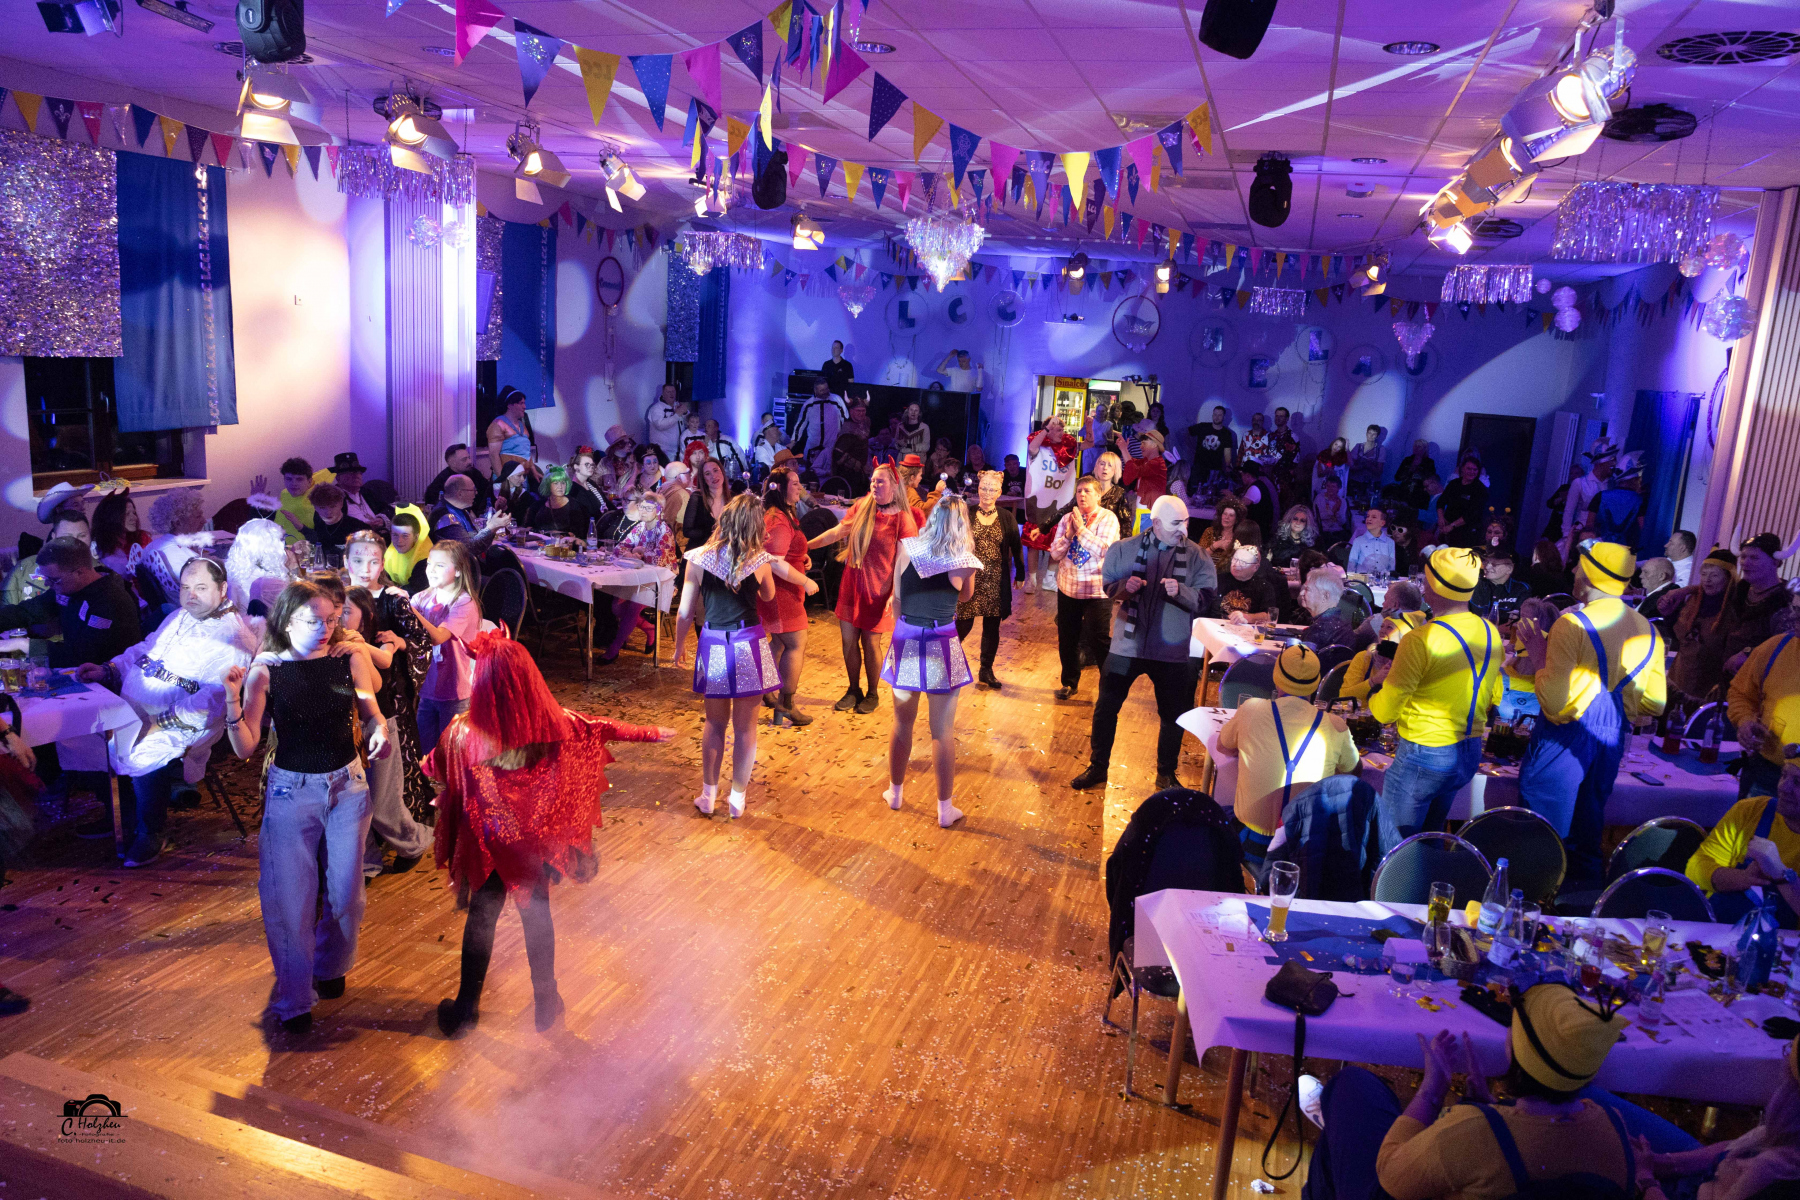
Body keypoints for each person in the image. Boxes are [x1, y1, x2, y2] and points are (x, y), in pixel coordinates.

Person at [430, 635, 675, 1038]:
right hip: (533, 842)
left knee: (483, 914)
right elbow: (602, 728)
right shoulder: (553, 723)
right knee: (536, 912)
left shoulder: (461, 732)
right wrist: (650, 733)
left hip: (489, 842)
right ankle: (546, 1002)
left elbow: (436, 766)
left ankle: (466, 1010)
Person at [1301, 986, 1676, 1200]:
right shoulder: (1613, 1129)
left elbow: (1390, 1174)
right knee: (1339, 1134)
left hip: (1398, 1182)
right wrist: (1488, 1107)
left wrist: (1432, 1091)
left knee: (1351, 1087)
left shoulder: (1473, 1131)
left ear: (1515, 1055)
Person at [221, 581, 388, 1036]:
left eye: (332, 619)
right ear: (287, 621)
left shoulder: (347, 658)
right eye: (314, 621)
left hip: (348, 788)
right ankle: (295, 998)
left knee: (347, 896)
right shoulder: (267, 670)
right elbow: (245, 747)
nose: (325, 628)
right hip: (291, 794)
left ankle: (331, 965)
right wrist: (232, 701)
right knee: (290, 901)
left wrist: (378, 728)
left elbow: (370, 706)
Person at [72, 557, 257, 868]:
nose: (191, 595)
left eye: (201, 588)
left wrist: (157, 722)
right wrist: (108, 669)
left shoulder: (234, 637)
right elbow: (145, 650)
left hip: (185, 722)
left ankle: (150, 831)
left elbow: (214, 700)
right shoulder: (180, 616)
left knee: (142, 749)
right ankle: (120, 815)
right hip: (138, 708)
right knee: (86, 733)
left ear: (222, 589)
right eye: (185, 587)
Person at [1513, 542, 1666, 879]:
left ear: (1592, 575)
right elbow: (1655, 704)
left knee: (1542, 839)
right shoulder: (1648, 629)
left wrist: (1539, 656)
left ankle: (1534, 904)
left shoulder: (1572, 624)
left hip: (1564, 740)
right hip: (1611, 741)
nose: (1572, 570)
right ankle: (1585, 903)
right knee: (1587, 835)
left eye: (1579, 565)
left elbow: (1554, 704)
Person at [677, 494, 817, 818]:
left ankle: (708, 795)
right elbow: (768, 595)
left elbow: (685, 611)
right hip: (748, 643)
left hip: (713, 642)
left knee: (714, 723)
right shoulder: (758, 561)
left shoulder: (698, 558)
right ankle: (737, 799)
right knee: (745, 729)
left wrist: (679, 646)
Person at [1072, 496, 1216, 791]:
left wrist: (1182, 591)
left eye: (1186, 522)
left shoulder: (1198, 556)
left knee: (1173, 715)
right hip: (1127, 645)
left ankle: (1166, 774)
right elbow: (1109, 586)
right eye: (1176, 523)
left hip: (1171, 650)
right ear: (1157, 522)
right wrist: (1125, 587)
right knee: (1106, 708)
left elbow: (1207, 600)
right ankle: (1098, 767)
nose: (1183, 529)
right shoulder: (1124, 549)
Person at [1364, 547, 1503, 851]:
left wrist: (1374, 694)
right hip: (1467, 751)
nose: (1423, 587)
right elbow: (1495, 695)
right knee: (1430, 841)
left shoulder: (1421, 638)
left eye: (1426, 581)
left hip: (1424, 754)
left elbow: (1386, 712)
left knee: (1393, 849)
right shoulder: (1490, 632)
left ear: (1436, 587)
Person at [880, 497, 982, 828]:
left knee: (902, 722)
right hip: (941, 640)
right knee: (942, 731)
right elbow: (965, 596)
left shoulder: (907, 548)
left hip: (907, 636)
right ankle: (944, 809)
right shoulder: (964, 560)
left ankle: (895, 793)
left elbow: (897, 599)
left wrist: (902, 633)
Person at [1218, 645, 1360, 869]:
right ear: (1316, 684)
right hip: (1304, 851)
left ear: (1277, 679)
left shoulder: (1250, 710)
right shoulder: (1336, 725)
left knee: (1222, 809)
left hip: (1252, 844)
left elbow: (1223, 746)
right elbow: (1353, 771)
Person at [343, 532, 436, 837]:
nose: (365, 568)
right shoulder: (338, 595)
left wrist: (399, 642)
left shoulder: (394, 599)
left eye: (373, 561)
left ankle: (399, 828)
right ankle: (359, 828)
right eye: (358, 560)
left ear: (383, 563)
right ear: (346, 561)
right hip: (345, 692)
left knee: (391, 764)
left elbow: (423, 641)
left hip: (388, 693)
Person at [806, 463, 917, 714]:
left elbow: (905, 562)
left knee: (870, 643)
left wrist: (894, 594)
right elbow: (836, 532)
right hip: (852, 583)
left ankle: (872, 693)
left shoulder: (902, 519)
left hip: (879, 589)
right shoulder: (862, 506)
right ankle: (853, 689)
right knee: (848, 641)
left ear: (894, 485)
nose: (874, 485)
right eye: (873, 481)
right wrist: (806, 546)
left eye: (880, 481)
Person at [1687, 757, 1800, 928]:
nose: (1783, 787)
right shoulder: (1751, 810)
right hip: (1717, 933)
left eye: (1798, 782)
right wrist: (1743, 878)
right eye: (1784, 775)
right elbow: (1694, 869)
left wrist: (1779, 873)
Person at [0, 537, 141, 669]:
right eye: (45, 578)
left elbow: (84, 657)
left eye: (53, 579)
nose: (47, 584)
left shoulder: (110, 601)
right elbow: (26, 611)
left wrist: (23, 644)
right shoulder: (68, 589)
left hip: (111, 677)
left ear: (79, 573)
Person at [1049, 476, 1121, 701]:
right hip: (1068, 588)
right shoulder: (1067, 519)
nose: (1082, 495)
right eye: (1079, 491)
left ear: (1098, 495)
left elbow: (1105, 549)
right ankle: (1069, 683)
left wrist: (1081, 530)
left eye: (1087, 491)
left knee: (1098, 639)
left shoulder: (1108, 518)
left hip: (1096, 590)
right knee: (1067, 638)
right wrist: (1069, 534)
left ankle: (1109, 688)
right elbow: (1055, 553)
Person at [410, 541, 483, 756]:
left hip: (454, 692)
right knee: (425, 751)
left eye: (440, 565)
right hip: (427, 689)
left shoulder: (463, 603)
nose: (431, 570)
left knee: (452, 754)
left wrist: (410, 610)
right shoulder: (422, 598)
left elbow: (439, 637)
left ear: (458, 570)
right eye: (429, 563)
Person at [957, 471, 1024, 690]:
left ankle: (986, 670)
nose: (987, 493)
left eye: (992, 489)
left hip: (995, 579)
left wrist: (1020, 574)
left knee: (992, 627)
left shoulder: (1006, 517)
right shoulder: (967, 513)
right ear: (978, 489)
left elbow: (1016, 546)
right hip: (970, 578)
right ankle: (946, 662)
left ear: (999, 492)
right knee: (962, 624)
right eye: (983, 488)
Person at [759, 468, 814, 727]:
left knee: (780, 644)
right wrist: (805, 580)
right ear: (779, 488)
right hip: (781, 593)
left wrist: (801, 556)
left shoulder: (783, 514)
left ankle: (767, 691)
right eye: (794, 483)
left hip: (785, 590)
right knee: (796, 643)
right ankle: (785, 705)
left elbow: (785, 551)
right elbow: (774, 561)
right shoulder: (778, 519)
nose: (799, 487)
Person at [1730, 623, 1800, 801]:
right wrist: (1745, 719)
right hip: (1764, 771)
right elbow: (1740, 693)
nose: (1796, 620)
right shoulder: (1776, 647)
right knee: (1752, 820)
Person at [1665, 547, 1738, 705]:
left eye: (1714, 575)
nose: (1707, 580)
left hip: (1709, 688)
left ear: (1728, 578)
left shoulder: (1734, 608)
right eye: (1704, 574)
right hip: (1678, 679)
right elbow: (1680, 636)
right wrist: (1669, 614)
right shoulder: (1694, 600)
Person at [1023, 418, 1083, 592]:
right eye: (1056, 429)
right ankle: (1032, 579)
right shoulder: (1039, 446)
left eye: (1062, 429)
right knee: (1033, 541)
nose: (1061, 433)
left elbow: (1089, 443)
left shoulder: (1068, 448)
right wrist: (1047, 429)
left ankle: (1049, 578)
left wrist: (1088, 427)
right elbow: (1032, 448)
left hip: (1060, 501)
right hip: (1038, 501)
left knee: (1057, 540)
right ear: (1047, 430)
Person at [141, 490, 218, 607]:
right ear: (177, 523)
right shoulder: (186, 560)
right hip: (191, 612)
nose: (203, 520)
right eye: (198, 516)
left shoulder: (152, 546)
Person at [5, 507, 92, 606]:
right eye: (67, 537)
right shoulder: (24, 568)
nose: (76, 542)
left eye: (82, 535)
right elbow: (5, 608)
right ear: (54, 537)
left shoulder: (101, 572)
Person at [1560, 441, 1617, 556]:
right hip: (1582, 535)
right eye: (1610, 461)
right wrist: (1567, 537)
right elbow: (1569, 511)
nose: (1614, 464)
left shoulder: (1613, 485)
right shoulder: (1580, 483)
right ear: (1601, 464)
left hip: (1604, 537)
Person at [429, 474, 511, 546]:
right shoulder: (445, 516)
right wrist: (492, 527)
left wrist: (493, 524)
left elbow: (474, 536)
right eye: (473, 490)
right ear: (460, 493)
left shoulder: (460, 509)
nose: (476, 493)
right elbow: (469, 548)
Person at [302, 483, 371, 564]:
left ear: (341, 504)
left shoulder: (358, 528)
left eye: (332, 506)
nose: (328, 512)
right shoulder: (318, 525)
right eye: (322, 508)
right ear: (315, 508)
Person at [484, 387, 541, 485]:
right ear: (510, 405)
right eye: (521, 403)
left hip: (521, 478)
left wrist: (534, 471)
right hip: (507, 479)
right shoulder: (498, 424)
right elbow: (494, 455)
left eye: (524, 403)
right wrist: (503, 480)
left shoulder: (522, 425)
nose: (524, 407)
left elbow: (525, 452)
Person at [90, 489, 151, 579]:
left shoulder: (141, 538)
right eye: (127, 514)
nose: (134, 518)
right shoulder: (99, 548)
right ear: (112, 517)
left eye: (134, 513)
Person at [1220, 544, 1286, 626]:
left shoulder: (1264, 587)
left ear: (1255, 567)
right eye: (1235, 559)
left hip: (1246, 629)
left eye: (1243, 562)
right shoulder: (1218, 580)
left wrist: (1247, 617)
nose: (1236, 564)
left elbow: (1269, 615)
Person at [1589, 451, 1646, 546]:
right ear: (1634, 479)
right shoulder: (1640, 501)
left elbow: (1589, 527)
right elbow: (1642, 529)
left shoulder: (1600, 496)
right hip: (1625, 551)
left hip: (1600, 548)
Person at [793, 378, 847, 476]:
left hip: (831, 444)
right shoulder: (809, 404)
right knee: (811, 473)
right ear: (815, 390)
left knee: (830, 473)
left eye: (826, 389)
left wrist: (843, 439)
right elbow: (800, 424)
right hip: (813, 445)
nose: (825, 392)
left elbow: (845, 419)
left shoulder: (836, 400)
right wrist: (794, 440)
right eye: (822, 390)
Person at [682, 458, 735, 556]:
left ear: (722, 471)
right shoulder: (697, 498)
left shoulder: (734, 498)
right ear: (703, 479)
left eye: (715, 470)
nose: (713, 476)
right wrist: (713, 533)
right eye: (707, 474)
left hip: (725, 552)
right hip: (700, 553)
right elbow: (687, 531)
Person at [1298, 570, 1358, 650]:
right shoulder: (1343, 622)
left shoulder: (1319, 629)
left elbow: (1300, 657)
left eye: (1307, 589)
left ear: (1325, 596)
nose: (1301, 593)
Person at [1436, 456, 1488, 548]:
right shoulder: (1454, 483)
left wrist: (1452, 526)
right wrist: (1441, 518)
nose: (1472, 472)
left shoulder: (1480, 489)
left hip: (1466, 533)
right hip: (1446, 528)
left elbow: (1472, 514)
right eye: (1469, 469)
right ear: (1462, 468)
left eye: (1475, 469)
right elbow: (1441, 502)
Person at [425, 443, 496, 510]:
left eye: (469, 458)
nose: (469, 462)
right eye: (464, 459)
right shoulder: (442, 480)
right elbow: (432, 501)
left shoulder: (474, 473)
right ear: (452, 463)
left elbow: (487, 491)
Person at [1469, 550, 1532, 626]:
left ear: (1509, 569)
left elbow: (1517, 623)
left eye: (1494, 564)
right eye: (1486, 562)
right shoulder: (1474, 584)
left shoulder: (1521, 589)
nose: (1487, 567)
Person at [1186, 406, 1238, 494]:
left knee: (1211, 493)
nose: (1216, 417)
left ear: (1224, 417)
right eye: (1215, 414)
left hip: (1215, 468)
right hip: (1199, 466)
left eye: (1219, 415)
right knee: (1195, 491)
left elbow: (1227, 452)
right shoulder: (1203, 426)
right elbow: (1187, 432)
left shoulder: (1226, 433)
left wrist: (1228, 465)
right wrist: (1190, 447)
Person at [266, 457, 315, 543]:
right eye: (289, 479)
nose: (293, 483)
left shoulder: (316, 499)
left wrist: (300, 527)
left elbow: (324, 539)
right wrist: (257, 505)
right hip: (280, 548)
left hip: (306, 549)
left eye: (299, 479)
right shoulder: (284, 493)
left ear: (309, 481)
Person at [326, 453, 381, 529]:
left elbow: (387, 509)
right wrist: (365, 526)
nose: (356, 475)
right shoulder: (332, 498)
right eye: (349, 472)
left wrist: (382, 520)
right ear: (338, 478)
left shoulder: (367, 493)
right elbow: (334, 527)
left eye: (358, 472)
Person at [528, 466, 586, 536]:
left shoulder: (575, 506)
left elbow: (578, 533)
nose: (560, 487)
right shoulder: (537, 506)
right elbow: (528, 528)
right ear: (548, 485)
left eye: (563, 483)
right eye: (556, 483)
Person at [1347, 507, 1395, 578]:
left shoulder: (1390, 542)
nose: (1369, 519)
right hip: (1362, 581)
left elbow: (1391, 567)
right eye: (1368, 516)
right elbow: (1351, 566)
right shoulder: (1358, 541)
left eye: (1374, 517)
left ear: (1382, 523)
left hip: (1382, 581)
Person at [1347, 425, 1385, 513]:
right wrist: (1364, 465)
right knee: (1352, 506)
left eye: (1374, 434)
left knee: (1370, 508)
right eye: (1369, 433)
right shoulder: (1358, 446)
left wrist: (1366, 465)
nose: (1371, 436)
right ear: (1366, 434)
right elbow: (1351, 466)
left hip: (1371, 484)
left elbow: (1379, 471)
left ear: (1377, 436)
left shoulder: (1381, 449)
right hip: (1355, 482)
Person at [1235, 462, 1278, 539]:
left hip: (1257, 531)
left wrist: (1230, 496)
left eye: (1242, 475)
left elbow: (1239, 506)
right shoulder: (1259, 484)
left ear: (1247, 475)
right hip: (1259, 527)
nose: (1241, 477)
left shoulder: (1254, 488)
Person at [566, 448, 610, 522]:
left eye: (592, 465)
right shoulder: (573, 490)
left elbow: (607, 503)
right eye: (586, 464)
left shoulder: (591, 483)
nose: (591, 467)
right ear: (576, 467)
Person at [1542, 462, 1582, 544]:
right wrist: (1561, 498)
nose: (1573, 476)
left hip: (1572, 526)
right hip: (1555, 525)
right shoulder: (1564, 488)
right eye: (1571, 473)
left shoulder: (1583, 490)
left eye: (1576, 473)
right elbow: (1549, 503)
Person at [597, 427, 639, 502]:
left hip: (629, 503)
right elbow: (594, 484)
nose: (630, 445)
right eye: (626, 443)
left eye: (629, 442)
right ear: (618, 445)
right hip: (609, 504)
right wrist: (604, 493)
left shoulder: (634, 462)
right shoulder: (604, 463)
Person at [1268, 505, 1318, 570]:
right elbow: (1267, 563)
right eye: (1295, 519)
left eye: (1302, 520)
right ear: (1289, 520)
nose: (1298, 523)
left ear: (1307, 524)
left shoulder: (1311, 544)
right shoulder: (1276, 540)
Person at [646, 383, 686, 461]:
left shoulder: (678, 406)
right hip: (662, 452)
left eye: (673, 391)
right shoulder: (656, 408)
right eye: (668, 392)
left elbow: (689, 421)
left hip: (679, 450)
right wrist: (677, 415)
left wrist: (686, 413)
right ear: (663, 394)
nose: (671, 394)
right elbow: (660, 425)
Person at [1312, 436, 1350, 501]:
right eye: (1336, 444)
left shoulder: (1342, 458)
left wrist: (1347, 449)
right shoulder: (1323, 455)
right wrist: (1327, 471)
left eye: (1339, 447)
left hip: (1337, 491)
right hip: (1323, 489)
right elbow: (1319, 473)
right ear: (1332, 443)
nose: (1336, 447)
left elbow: (1351, 464)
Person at [1315, 475, 1349, 540]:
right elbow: (1317, 517)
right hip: (1323, 531)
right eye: (1328, 486)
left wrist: (1338, 513)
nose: (1330, 489)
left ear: (1339, 488)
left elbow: (1342, 522)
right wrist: (1333, 511)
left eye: (1333, 486)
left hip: (1338, 530)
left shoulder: (1342, 501)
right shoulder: (1319, 498)